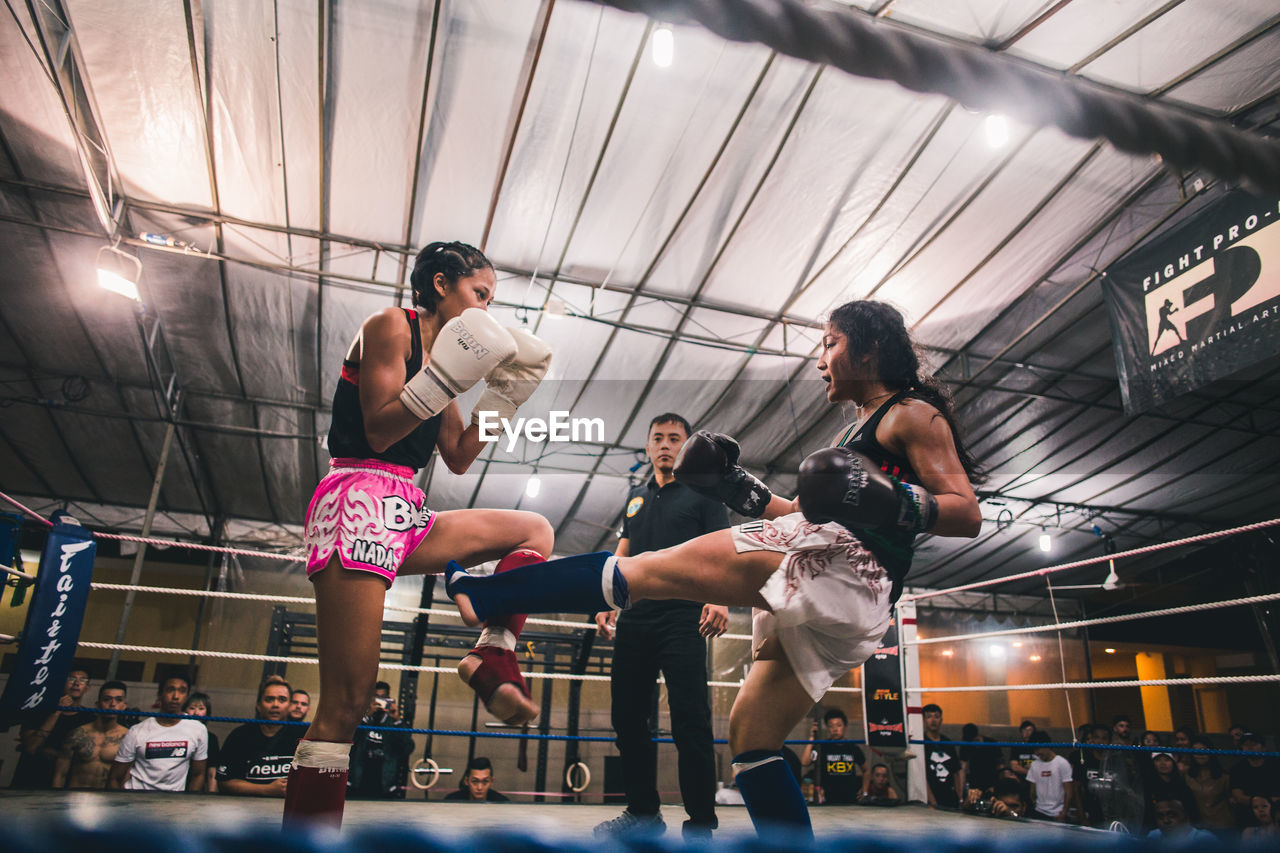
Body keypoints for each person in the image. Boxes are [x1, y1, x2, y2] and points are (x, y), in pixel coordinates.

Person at [446, 300, 983, 837]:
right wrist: (735, 484)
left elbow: (966, 512)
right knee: (751, 736)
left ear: (870, 348)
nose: (821, 360)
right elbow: (797, 512)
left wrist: (888, 499)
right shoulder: (855, 433)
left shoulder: (912, 412)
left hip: (841, 565)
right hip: (849, 594)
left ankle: (490, 597)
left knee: (647, 572)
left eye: (830, 343)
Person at [283, 241, 555, 829]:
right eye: (480, 294)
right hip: (356, 497)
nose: (486, 309)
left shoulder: (448, 358)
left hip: (406, 507)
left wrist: (502, 395)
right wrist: (443, 376)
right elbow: (380, 431)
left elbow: (456, 456)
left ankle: (491, 652)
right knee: (348, 703)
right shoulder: (389, 327)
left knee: (533, 530)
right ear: (440, 284)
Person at [592, 413, 729, 840]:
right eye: (658, 438)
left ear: (686, 447)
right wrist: (606, 598)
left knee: (690, 721)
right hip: (637, 617)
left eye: (674, 438)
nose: (666, 444)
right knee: (628, 717)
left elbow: (724, 548)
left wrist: (720, 596)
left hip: (683, 616)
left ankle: (701, 824)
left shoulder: (706, 494)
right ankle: (642, 813)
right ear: (648, 447)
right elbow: (624, 550)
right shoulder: (636, 497)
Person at [109, 675, 208, 792]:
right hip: (137, 801)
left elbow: (198, 775)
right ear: (160, 694)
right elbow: (114, 778)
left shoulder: (198, 729)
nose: (176, 697)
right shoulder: (137, 731)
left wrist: (188, 806)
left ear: (186, 695)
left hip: (172, 804)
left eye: (182, 691)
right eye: (170, 690)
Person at [217, 676, 303, 797]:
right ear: (259, 705)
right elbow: (224, 783)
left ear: (289, 706)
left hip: (287, 810)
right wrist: (267, 789)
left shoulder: (301, 736)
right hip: (245, 809)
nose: (275, 705)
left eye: (282, 699)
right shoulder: (240, 735)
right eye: (269, 699)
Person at [10, 669, 94, 789]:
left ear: (87, 688)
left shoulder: (89, 717)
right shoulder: (39, 711)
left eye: (83, 680)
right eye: (71, 679)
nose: (76, 683)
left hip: (65, 785)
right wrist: (56, 712)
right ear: (62, 682)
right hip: (28, 780)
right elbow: (31, 747)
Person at [51, 680, 128, 789]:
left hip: (107, 800)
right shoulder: (78, 734)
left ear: (124, 706)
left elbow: (125, 779)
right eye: (107, 699)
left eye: (118, 700)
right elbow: (60, 774)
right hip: (75, 797)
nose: (113, 704)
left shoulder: (127, 737)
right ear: (97, 705)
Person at [347, 695, 414, 799]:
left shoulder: (392, 724)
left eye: (383, 699)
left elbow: (407, 748)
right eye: (377, 699)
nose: (379, 704)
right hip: (358, 782)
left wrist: (397, 720)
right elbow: (348, 741)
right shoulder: (361, 721)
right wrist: (366, 716)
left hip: (384, 784)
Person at [801, 708, 866, 805]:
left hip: (851, 800)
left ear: (845, 726)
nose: (835, 729)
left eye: (839, 725)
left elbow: (866, 770)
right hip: (828, 799)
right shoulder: (823, 746)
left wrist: (865, 791)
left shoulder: (852, 747)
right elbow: (805, 762)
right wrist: (811, 737)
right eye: (831, 726)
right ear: (827, 728)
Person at [1229, 732, 1280, 824]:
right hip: (1249, 815)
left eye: (1254, 744)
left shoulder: (1276, 764)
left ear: (1264, 748)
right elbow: (1238, 795)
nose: (1249, 747)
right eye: (1245, 745)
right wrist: (1259, 803)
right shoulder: (1237, 769)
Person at [1184, 735, 1232, 831]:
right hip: (1198, 828)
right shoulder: (1187, 776)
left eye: (1203, 750)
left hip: (1223, 827)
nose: (1200, 754)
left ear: (1211, 752)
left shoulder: (1224, 777)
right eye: (1196, 750)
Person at [922, 704, 964, 810]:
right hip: (931, 799)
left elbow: (956, 772)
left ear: (941, 720)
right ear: (924, 720)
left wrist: (959, 798)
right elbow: (921, 776)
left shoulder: (948, 742)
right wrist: (933, 802)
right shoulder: (920, 743)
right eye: (929, 717)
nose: (933, 720)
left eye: (936, 716)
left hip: (950, 798)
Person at [1026, 732, 1075, 822]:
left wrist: (1064, 813)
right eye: (1034, 750)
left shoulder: (1062, 763)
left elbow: (1069, 792)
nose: (1037, 753)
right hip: (1039, 812)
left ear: (1047, 745)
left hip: (1059, 813)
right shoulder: (1034, 765)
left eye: (1038, 749)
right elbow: (1031, 792)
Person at [1143, 750, 1197, 830]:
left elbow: (1192, 810)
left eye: (1167, 760)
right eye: (1158, 760)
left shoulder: (1182, 786)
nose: (1163, 764)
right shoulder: (1148, 786)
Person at [183, 692, 219, 792]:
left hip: (196, 791)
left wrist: (211, 797)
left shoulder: (211, 738)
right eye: (192, 708)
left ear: (207, 712)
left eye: (201, 708)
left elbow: (212, 772)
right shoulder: (178, 734)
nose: (196, 713)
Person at [959, 722, 1002, 795]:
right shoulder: (966, 745)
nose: (973, 743)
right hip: (975, 784)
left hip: (992, 782)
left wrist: (998, 786)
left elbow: (1001, 766)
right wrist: (960, 794)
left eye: (975, 740)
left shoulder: (991, 743)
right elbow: (962, 769)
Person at [1146, 798, 1216, 842]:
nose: (1166, 820)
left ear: (1186, 817)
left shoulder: (1205, 841)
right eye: (1160, 816)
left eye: (1171, 815)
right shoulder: (1153, 836)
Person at [443, 756, 510, 802]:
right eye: (475, 781)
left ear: (491, 781)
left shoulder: (501, 804)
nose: (479, 787)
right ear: (466, 781)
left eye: (485, 782)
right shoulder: (452, 802)